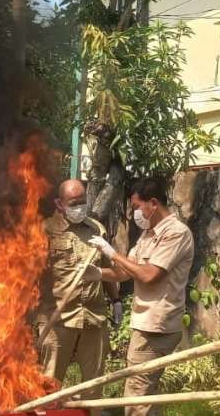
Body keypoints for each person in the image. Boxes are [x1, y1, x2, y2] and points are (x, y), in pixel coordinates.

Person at [88, 178, 194, 416]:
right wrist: (95, 274)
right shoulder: (148, 234)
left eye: (137, 207)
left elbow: (148, 275)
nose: (135, 213)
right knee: (145, 393)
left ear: (153, 203)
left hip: (157, 327)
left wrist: (112, 253)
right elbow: (125, 272)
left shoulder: (176, 233)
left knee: (137, 396)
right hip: (145, 324)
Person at [36, 179, 120, 402]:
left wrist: (117, 300)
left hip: (94, 317)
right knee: (49, 388)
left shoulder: (96, 230)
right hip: (58, 321)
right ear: (59, 203)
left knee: (93, 387)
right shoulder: (45, 231)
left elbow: (107, 270)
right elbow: (29, 274)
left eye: (83, 201)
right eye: (74, 203)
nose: (80, 207)